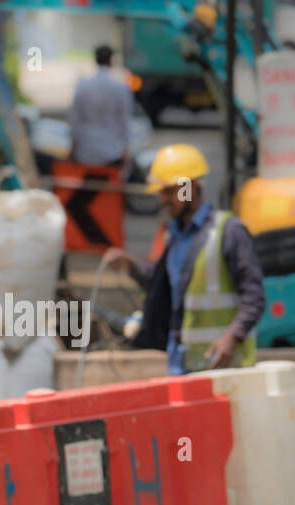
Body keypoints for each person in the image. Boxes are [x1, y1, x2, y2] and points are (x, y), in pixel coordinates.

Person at [103, 144, 265, 374]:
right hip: (183, 362)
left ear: (191, 188)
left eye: (170, 191)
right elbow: (161, 285)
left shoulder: (227, 232)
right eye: (162, 192)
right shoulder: (174, 236)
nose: (163, 200)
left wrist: (231, 338)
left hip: (223, 366)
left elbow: (254, 298)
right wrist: (130, 264)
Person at [68, 45, 133, 168]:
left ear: (95, 60)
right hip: (112, 152)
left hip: (85, 151)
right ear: (111, 61)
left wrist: (73, 148)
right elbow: (124, 121)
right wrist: (126, 149)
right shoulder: (120, 88)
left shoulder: (83, 86)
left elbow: (75, 120)